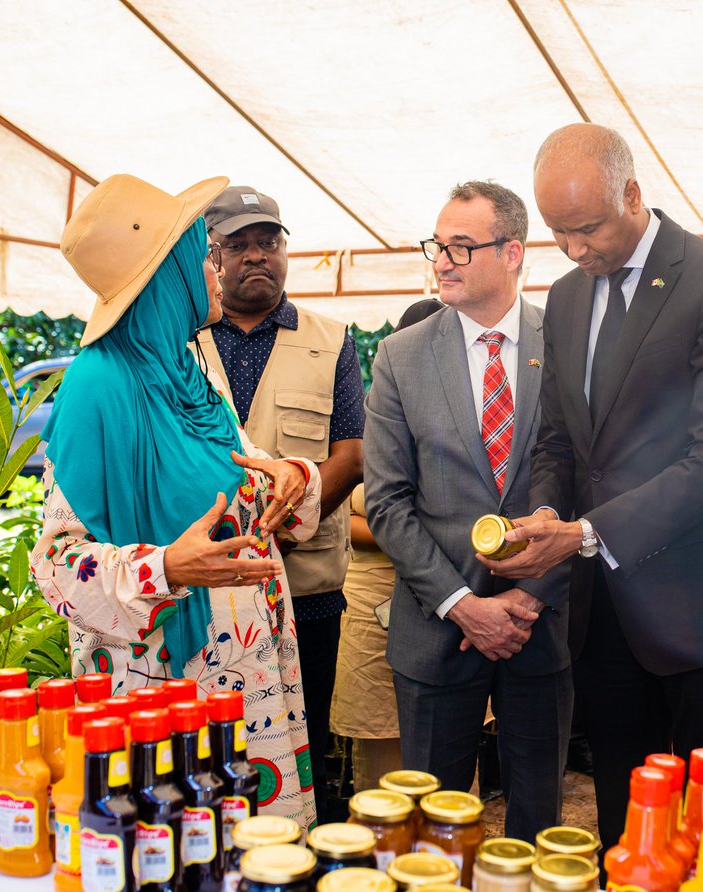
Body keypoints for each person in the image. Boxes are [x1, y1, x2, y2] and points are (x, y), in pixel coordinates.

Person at [478, 123, 703, 855]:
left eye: (588, 228)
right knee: (626, 821)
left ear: (634, 195)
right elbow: (559, 439)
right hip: (610, 610)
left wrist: (586, 534)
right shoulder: (566, 299)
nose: (576, 249)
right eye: (559, 233)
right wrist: (548, 512)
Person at [31, 173, 321, 829]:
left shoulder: (194, 369)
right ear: (164, 274)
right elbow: (54, 562)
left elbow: (241, 476)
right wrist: (164, 568)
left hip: (250, 674)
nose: (213, 268)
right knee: (185, 849)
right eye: (201, 252)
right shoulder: (97, 385)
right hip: (166, 686)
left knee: (254, 852)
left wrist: (290, 478)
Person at [364, 182, 571, 841]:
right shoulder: (400, 355)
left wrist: (530, 595)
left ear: (513, 252)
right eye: (437, 245)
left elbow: (591, 479)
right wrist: (464, 604)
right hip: (437, 627)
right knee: (432, 827)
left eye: (461, 245)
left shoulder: (566, 343)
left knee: (538, 823)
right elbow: (388, 503)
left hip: (542, 624)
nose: (442, 260)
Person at [198, 186, 365, 823]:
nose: (255, 256)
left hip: (307, 587)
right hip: (206, 584)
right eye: (236, 245)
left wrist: (286, 519)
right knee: (213, 754)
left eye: (268, 242)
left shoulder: (332, 339)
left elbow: (351, 454)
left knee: (302, 751)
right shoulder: (183, 342)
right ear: (210, 258)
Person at [330, 300, 443, 794]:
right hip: (372, 597)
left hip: (446, 594)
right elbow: (337, 514)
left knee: (445, 742)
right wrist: (405, 527)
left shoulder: (472, 417)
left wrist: (396, 524)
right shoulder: (373, 416)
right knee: (379, 744)